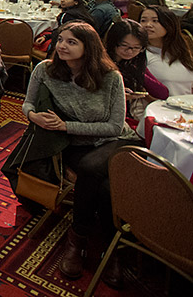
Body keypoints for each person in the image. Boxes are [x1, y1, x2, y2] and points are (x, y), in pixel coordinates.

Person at [20, 22, 139, 282]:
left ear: (89, 47)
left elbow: (115, 126)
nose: (62, 45)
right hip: (75, 145)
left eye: (72, 42)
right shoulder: (46, 70)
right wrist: (33, 116)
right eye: (61, 40)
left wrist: (66, 125)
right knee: (106, 187)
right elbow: (27, 102)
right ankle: (112, 249)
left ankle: (79, 238)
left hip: (115, 141)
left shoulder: (110, 76)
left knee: (90, 169)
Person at [139, 6, 193, 99]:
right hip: (156, 109)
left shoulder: (181, 52)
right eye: (143, 20)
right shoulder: (139, 54)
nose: (148, 25)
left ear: (169, 24)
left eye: (155, 21)